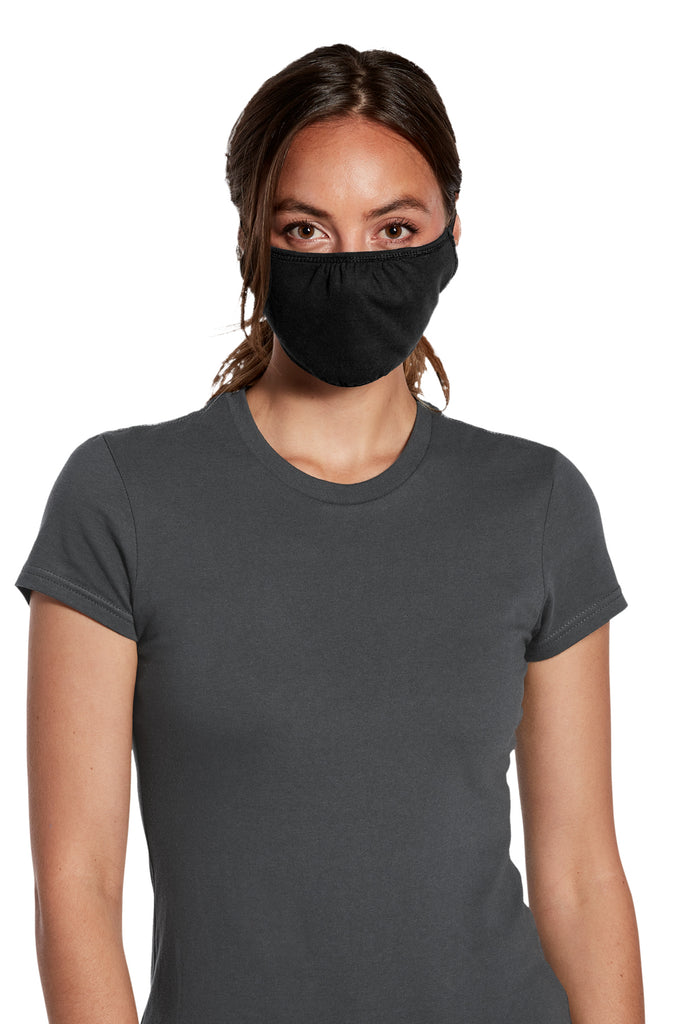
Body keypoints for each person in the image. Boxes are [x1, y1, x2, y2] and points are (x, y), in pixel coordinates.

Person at [15, 42, 645, 1024]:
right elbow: (77, 886)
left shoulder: (535, 501)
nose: (352, 264)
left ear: (450, 234)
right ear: (252, 241)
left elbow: (579, 875)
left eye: (393, 227)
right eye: (305, 228)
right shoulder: (123, 497)